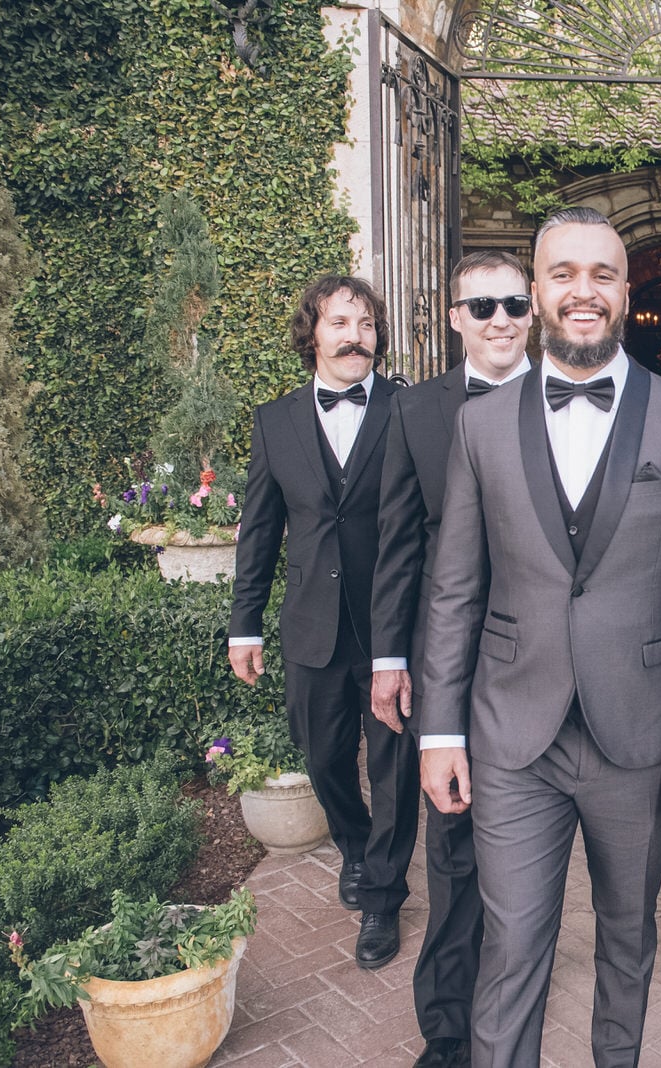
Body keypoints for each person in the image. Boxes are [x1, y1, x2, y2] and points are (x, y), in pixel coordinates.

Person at [413, 207, 661, 1068]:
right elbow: (454, 589)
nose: (583, 291)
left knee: (629, 943)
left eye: (602, 274)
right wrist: (440, 732)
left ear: (627, 293)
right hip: (510, 735)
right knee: (511, 946)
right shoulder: (479, 426)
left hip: (641, 736)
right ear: (536, 291)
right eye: (563, 274)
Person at [371, 251, 536, 1067]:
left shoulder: (580, 392)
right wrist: (390, 657)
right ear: (453, 316)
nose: (499, 319)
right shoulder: (418, 411)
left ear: (532, 310)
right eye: (482, 306)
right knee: (455, 841)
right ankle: (448, 1028)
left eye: (512, 303)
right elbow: (398, 544)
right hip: (460, 661)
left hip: (561, 663)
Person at [228, 275, 414, 970]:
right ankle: (358, 847)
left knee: (395, 765)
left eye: (366, 324)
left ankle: (383, 895)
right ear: (313, 334)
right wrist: (244, 624)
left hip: (392, 625)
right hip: (311, 623)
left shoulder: (408, 408)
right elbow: (260, 532)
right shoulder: (274, 422)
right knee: (325, 756)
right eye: (340, 322)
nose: (355, 335)